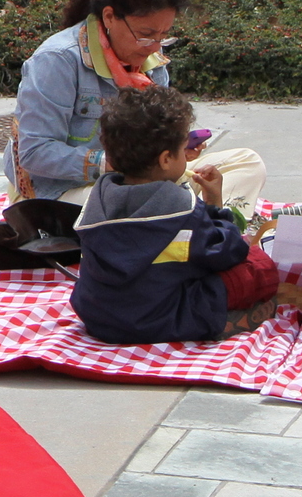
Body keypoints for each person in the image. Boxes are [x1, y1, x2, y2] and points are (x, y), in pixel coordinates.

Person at [4, 0, 267, 210]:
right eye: (145, 35)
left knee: (247, 163)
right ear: (109, 17)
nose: (153, 47)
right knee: (148, 199)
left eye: (164, 36)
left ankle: (223, 227)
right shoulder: (58, 61)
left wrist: (175, 148)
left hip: (139, 178)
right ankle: (194, 221)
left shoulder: (152, 62)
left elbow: (155, 137)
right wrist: (115, 163)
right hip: (61, 192)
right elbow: (35, 153)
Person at [71, 86, 277, 344]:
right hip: (160, 321)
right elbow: (228, 253)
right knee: (259, 265)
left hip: (99, 318)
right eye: (183, 148)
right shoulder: (181, 207)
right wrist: (214, 205)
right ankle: (223, 322)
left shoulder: (98, 198)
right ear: (167, 158)